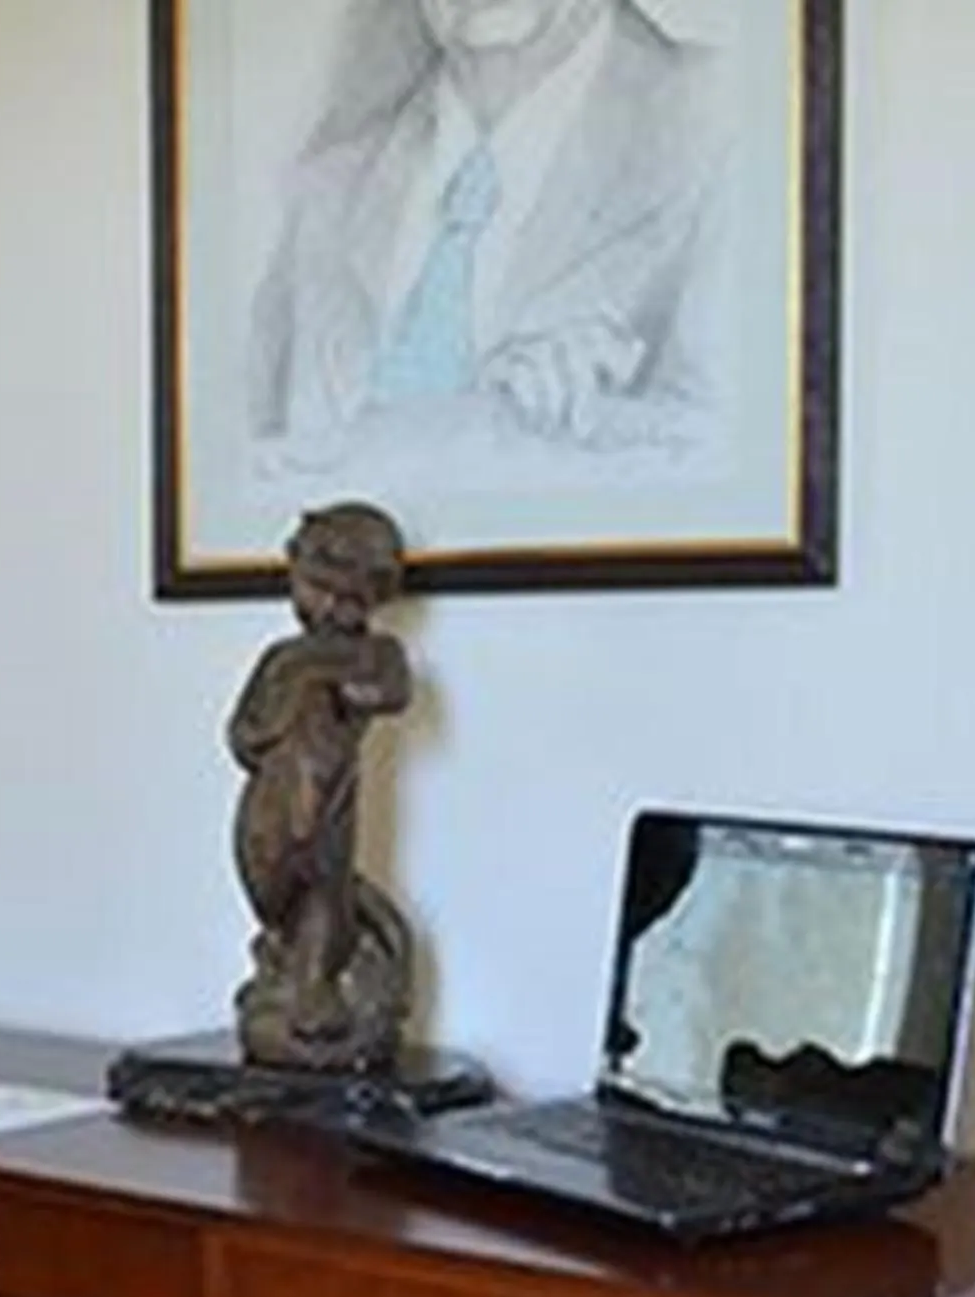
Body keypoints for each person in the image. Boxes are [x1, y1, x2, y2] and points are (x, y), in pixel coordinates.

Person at [249, 0, 732, 470]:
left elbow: (754, 467)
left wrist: (581, 423)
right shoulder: (327, 188)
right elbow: (234, 481)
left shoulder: (730, 119)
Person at [228, 503, 417, 1072]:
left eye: (347, 598)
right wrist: (290, 698)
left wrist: (329, 679)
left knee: (325, 900)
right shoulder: (283, 660)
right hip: (269, 811)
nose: (323, 607)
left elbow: (387, 692)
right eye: (311, 589)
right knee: (273, 900)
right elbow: (241, 736)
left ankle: (317, 998)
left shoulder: (374, 653)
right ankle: (282, 985)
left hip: (329, 810)